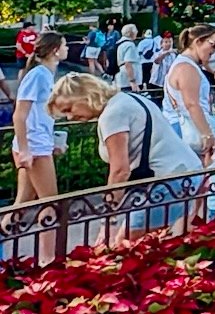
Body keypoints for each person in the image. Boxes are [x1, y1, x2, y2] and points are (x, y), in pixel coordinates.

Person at [49, 73, 203, 239]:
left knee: (123, 248)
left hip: (168, 182)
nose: (70, 117)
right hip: (188, 174)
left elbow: (120, 171)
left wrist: (108, 220)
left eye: (69, 109)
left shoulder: (112, 115)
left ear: (85, 95)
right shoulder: (128, 99)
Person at [11, 32, 67, 242]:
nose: (67, 49)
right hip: (35, 145)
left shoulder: (44, 74)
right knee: (51, 204)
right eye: (64, 45)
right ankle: (48, 260)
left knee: (23, 204)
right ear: (54, 50)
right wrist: (25, 149)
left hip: (37, 142)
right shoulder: (38, 75)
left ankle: (8, 257)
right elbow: (20, 114)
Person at [162, 25, 215, 162]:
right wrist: (207, 134)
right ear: (198, 42)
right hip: (190, 129)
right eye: (213, 44)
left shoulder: (187, 65)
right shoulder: (186, 68)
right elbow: (192, 104)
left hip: (190, 127)